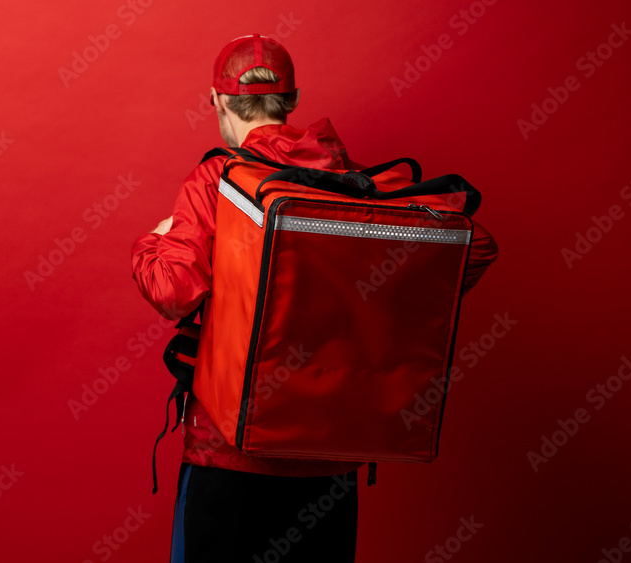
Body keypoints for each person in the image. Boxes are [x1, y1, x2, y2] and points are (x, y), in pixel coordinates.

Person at [131, 34, 499, 563]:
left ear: (215, 101)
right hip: (328, 465)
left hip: (227, 461)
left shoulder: (216, 179)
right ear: (294, 101)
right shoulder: (344, 185)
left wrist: (156, 238)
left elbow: (171, 291)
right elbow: (475, 247)